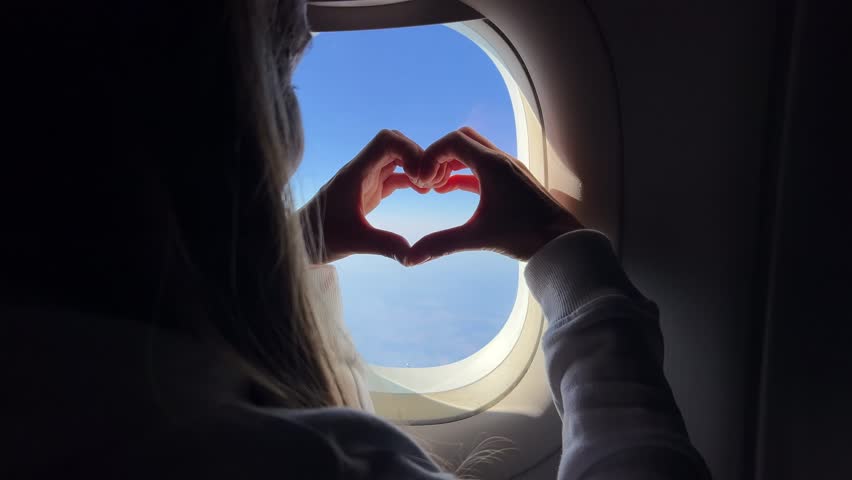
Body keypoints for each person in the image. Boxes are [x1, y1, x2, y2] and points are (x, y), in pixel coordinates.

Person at [1, 0, 710, 478]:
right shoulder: (317, 462)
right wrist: (568, 254)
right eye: (285, 72)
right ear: (218, 114)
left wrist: (288, 250)